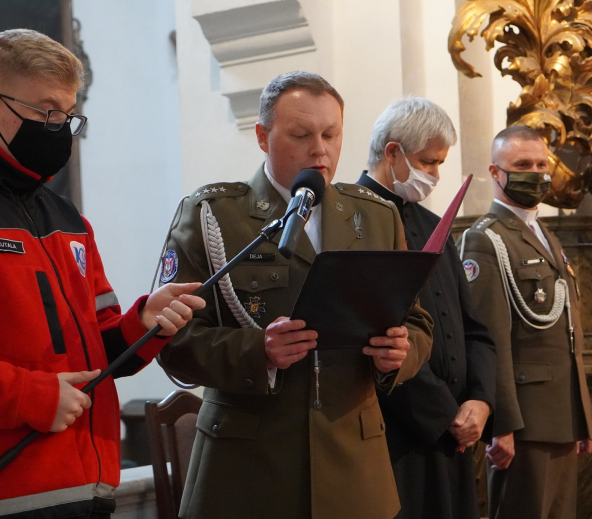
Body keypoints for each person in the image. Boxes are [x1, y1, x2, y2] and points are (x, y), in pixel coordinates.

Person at [0, 29, 205, 519]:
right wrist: (30, 397)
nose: (60, 128)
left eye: (69, 116)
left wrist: (143, 324)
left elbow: (100, 354)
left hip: (87, 488)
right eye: (47, 113)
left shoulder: (69, 220)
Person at [156, 71, 434, 519]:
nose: (319, 149)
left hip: (353, 467)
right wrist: (257, 350)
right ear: (263, 136)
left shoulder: (377, 216)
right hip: (248, 469)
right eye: (302, 134)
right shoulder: (214, 216)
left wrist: (400, 354)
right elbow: (171, 340)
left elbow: (417, 321)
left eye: (331, 134)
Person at [357, 96, 496, 519]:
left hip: (455, 433)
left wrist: (481, 400)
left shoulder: (433, 224)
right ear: (393, 152)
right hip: (399, 435)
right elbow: (375, 339)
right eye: (428, 162)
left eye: (439, 163)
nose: (435, 175)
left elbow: (472, 326)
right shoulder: (354, 220)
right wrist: (444, 415)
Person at [459, 125, 592, 519]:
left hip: (561, 416)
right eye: (522, 164)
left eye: (540, 164)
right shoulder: (485, 239)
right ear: (495, 171)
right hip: (524, 423)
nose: (534, 173)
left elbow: (569, 335)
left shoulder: (544, 234)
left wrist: (581, 415)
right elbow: (490, 337)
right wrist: (501, 424)